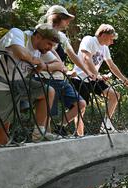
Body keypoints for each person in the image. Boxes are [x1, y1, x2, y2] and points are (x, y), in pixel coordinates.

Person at [0, 24, 63, 143]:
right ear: (38, 37)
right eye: (49, 43)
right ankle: (3, 154)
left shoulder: (40, 49)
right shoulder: (18, 33)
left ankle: (39, 133)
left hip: (14, 81)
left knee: (47, 91)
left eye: (52, 45)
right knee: (3, 127)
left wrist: (43, 66)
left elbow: (60, 65)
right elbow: (19, 52)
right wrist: (37, 61)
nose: (50, 48)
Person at [39, 5, 93, 136]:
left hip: (60, 78)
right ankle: (46, 141)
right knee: (47, 115)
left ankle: (59, 126)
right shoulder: (42, 30)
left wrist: (87, 71)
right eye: (66, 18)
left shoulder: (62, 37)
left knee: (80, 103)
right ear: (58, 18)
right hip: (45, 78)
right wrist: (64, 69)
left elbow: (73, 56)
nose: (68, 21)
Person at [72, 24, 128, 133]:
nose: (112, 42)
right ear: (103, 35)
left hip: (94, 79)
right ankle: (79, 136)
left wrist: (124, 80)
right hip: (80, 79)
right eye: (111, 39)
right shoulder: (89, 40)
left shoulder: (105, 48)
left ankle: (106, 124)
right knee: (81, 109)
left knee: (115, 95)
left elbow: (111, 65)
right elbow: (86, 58)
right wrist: (98, 75)